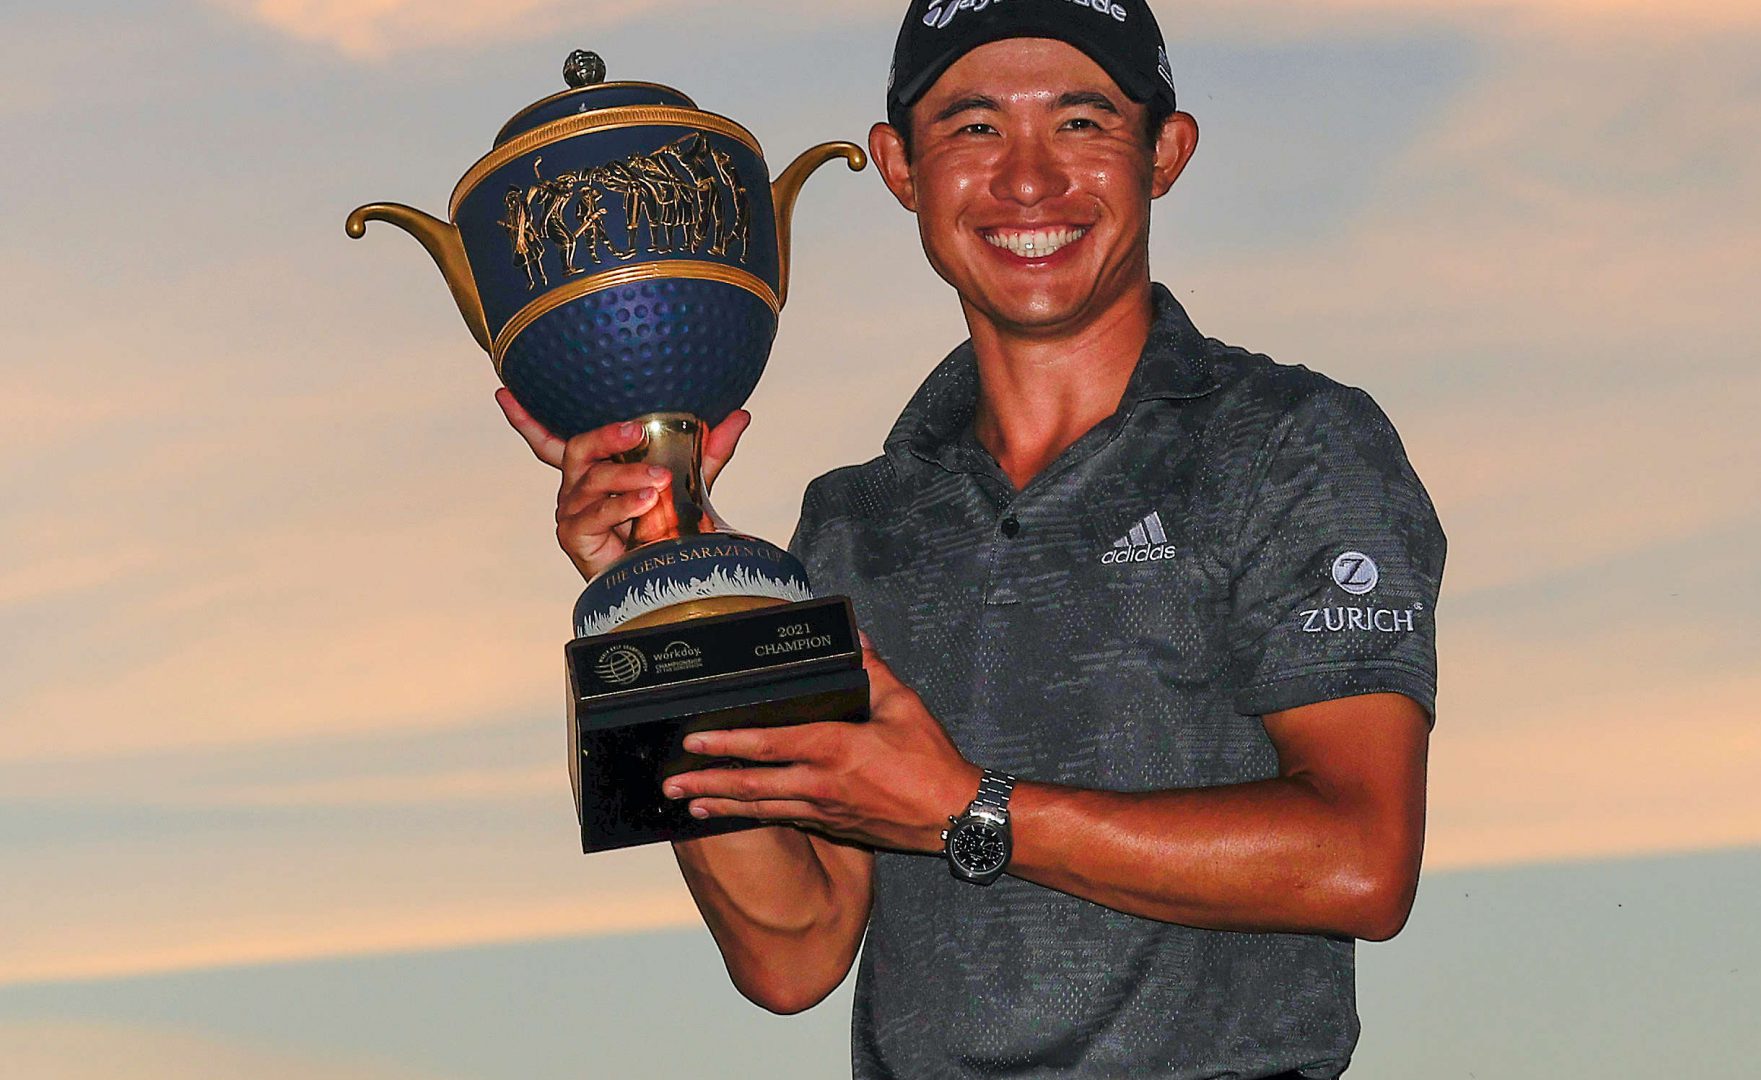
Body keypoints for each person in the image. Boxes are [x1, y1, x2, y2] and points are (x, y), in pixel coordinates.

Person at [498, 2, 1445, 1077]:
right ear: (901, 167)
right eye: (975, 127)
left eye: (1082, 124)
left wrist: (966, 808)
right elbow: (793, 955)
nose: (1029, 180)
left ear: (1165, 154)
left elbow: (1362, 861)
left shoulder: (1293, 444)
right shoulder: (856, 519)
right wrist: (668, 597)